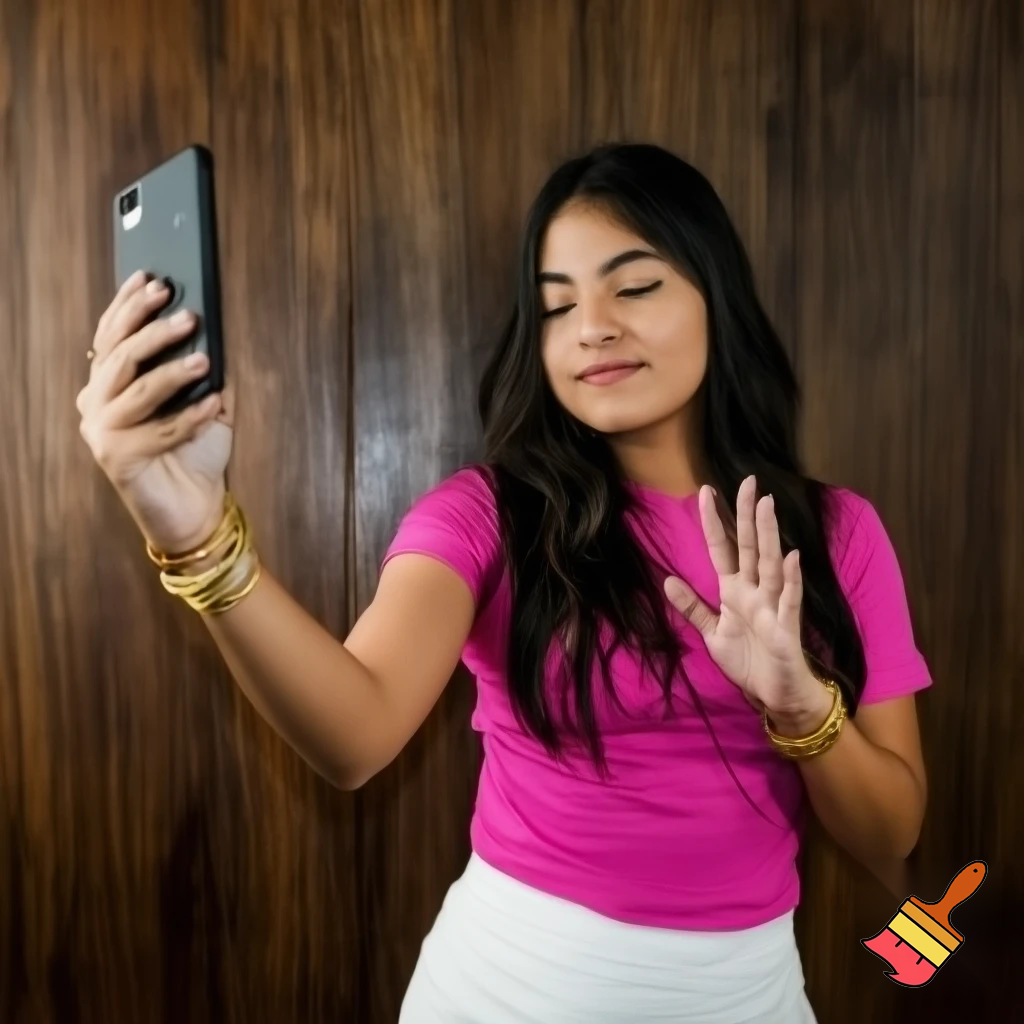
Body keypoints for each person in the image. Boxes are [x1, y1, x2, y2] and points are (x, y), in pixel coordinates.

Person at [77, 143, 931, 1023]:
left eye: (633, 288)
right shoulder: (487, 517)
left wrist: (803, 713)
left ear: (718, 297)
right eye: (556, 306)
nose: (592, 325)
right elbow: (354, 734)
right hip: (507, 988)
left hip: (749, 994)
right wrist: (201, 541)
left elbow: (892, 835)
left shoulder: (838, 535)